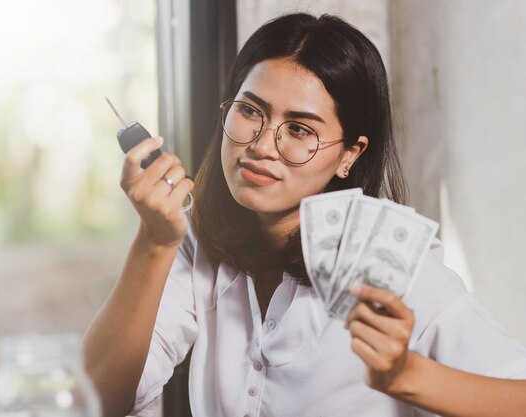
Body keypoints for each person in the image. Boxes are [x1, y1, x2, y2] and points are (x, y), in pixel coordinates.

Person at [83, 13, 526, 417]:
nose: (260, 145)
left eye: (299, 130)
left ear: (349, 155)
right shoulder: (197, 240)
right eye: (249, 112)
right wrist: (154, 242)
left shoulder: (389, 263)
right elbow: (97, 401)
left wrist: (407, 376)